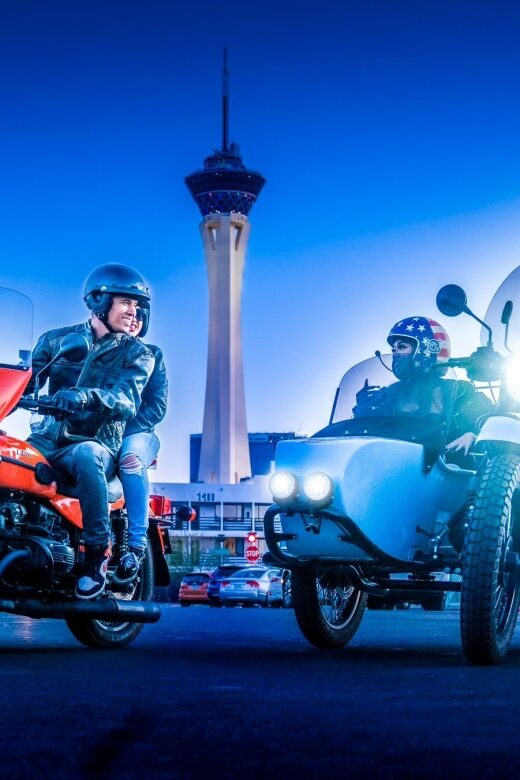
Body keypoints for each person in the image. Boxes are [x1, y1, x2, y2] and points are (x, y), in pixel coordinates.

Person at [27, 264, 155, 600]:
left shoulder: (137, 353)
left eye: (137, 305)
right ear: (99, 300)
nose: (134, 311)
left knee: (88, 455)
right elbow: (27, 379)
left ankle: (98, 553)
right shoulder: (57, 340)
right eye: (126, 302)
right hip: (46, 439)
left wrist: (84, 396)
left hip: (96, 442)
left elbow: (128, 400)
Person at [354, 316, 493, 457]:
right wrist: (362, 412)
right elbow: (366, 439)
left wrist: (472, 435)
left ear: (425, 349)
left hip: (443, 471)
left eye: (401, 347)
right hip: (388, 467)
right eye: (393, 349)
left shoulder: (457, 391)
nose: (394, 353)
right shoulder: (387, 394)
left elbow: (489, 423)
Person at [113, 312, 168, 584]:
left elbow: (157, 407)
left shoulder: (152, 354)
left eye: (139, 316)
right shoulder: (94, 350)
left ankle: (135, 547)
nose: (133, 320)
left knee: (130, 460)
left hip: (137, 432)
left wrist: (121, 430)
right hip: (96, 430)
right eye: (127, 313)